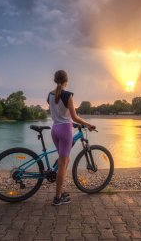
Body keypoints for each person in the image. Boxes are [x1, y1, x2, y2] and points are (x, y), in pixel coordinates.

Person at [47, 70, 95, 206]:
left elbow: (57, 113)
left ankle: (61, 192)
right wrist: (89, 124)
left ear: (55, 80)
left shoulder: (50, 95)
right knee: (63, 164)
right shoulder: (68, 95)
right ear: (66, 81)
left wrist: (67, 120)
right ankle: (57, 198)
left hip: (55, 130)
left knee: (64, 162)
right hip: (65, 131)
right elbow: (74, 117)